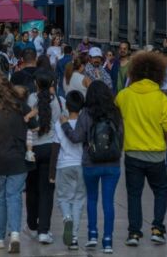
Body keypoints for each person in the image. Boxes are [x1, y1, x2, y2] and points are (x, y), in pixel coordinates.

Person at [116, 51, 167, 246]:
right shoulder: (161, 98)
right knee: (161, 191)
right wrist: (162, 142)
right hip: (156, 154)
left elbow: (116, 118)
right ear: (158, 74)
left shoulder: (124, 95)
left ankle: (134, 233)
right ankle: (157, 228)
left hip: (132, 152)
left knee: (134, 194)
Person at [61, 82, 123, 253]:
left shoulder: (86, 114)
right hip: (112, 164)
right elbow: (120, 137)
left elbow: (76, 137)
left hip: (91, 163)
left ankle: (92, 235)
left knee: (92, 199)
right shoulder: (115, 113)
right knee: (108, 202)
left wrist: (65, 125)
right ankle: (108, 241)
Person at [0, 70, 37, 253]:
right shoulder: (20, 105)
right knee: (14, 197)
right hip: (17, 158)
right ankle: (14, 234)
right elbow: (35, 126)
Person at [25, 69, 67, 244]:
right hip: (49, 148)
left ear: (36, 84)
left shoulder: (31, 99)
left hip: (32, 149)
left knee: (31, 188)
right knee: (47, 191)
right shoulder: (57, 101)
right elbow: (58, 123)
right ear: (51, 85)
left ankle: (32, 225)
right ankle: (44, 230)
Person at [50, 91, 86, 251]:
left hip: (63, 165)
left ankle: (66, 217)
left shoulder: (59, 124)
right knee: (78, 200)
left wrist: (51, 173)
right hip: (82, 165)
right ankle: (74, 240)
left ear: (66, 105)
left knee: (63, 198)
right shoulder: (84, 124)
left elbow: (55, 149)